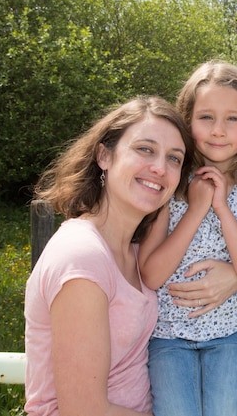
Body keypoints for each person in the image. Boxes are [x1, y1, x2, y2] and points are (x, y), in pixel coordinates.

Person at [24, 95, 193, 416]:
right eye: (145, 149)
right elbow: (83, 409)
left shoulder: (137, 250)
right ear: (104, 155)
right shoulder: (82, 255)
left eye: (174, 158)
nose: (159, 167)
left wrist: (234, 277)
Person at [138, 60, 237, 416]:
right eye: (206, 117)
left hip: (229, 336)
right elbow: (151, 274)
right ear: (187, 122)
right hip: (168, 337)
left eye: (232, 118)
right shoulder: (169, 184)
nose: (218, 130)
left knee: (223, 410)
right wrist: (197, 207)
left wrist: (223, 208)